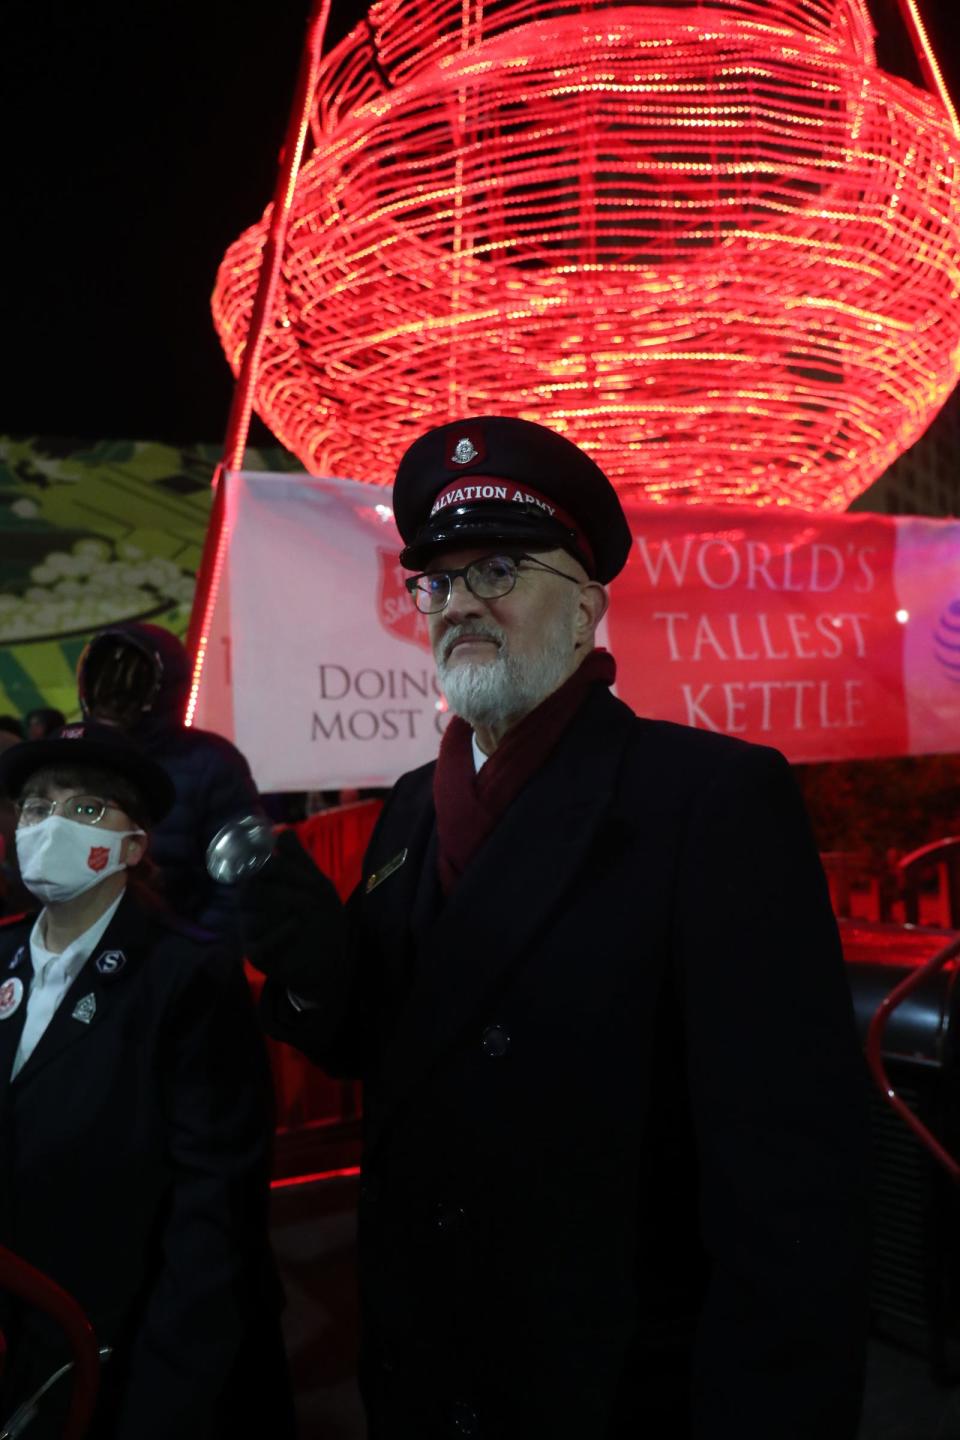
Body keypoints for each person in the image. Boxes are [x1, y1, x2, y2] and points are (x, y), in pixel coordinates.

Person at [244, 416, 872, 1439]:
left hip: (609, 1377)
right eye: (436, 584)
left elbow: (790, 1179)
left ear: (586, 610)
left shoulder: (708, 799)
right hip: (427, 1345)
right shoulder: (408, 807)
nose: (459, 606)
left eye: (497, 569)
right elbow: (391, 1049)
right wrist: (318, 973)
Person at [0, 722, 293, 1440]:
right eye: (37, 807)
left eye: (88, 809)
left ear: (134, 847)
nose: (53, 825)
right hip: (23, 1348)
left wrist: (167, 1401)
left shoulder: (188, 977)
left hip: (133, 1361)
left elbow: (214, 1213)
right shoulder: (3, 957)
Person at [76, 622, 261, 944]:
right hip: (86, 954)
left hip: (183, 956)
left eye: (132, 682)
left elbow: (239, 877)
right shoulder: (75, 760)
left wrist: (193, 954)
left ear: (164, 688)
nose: (115, 697)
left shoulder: (212, 762)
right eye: (105, 682)